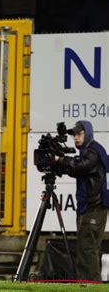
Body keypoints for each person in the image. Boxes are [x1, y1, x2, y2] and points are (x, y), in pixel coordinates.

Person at [54, 120, 109, 281]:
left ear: (88, 133)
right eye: (74, 135)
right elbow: (76, 169)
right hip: (90, 208)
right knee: (87, 250)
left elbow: (81, 166)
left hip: (94, 208)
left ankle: (91, 285)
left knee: (87, 250)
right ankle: (86, 284)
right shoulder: (88, 151)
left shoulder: (93, 151)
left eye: (79, 134)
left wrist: (60, 160)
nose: (75, 138)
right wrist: (62, 164)